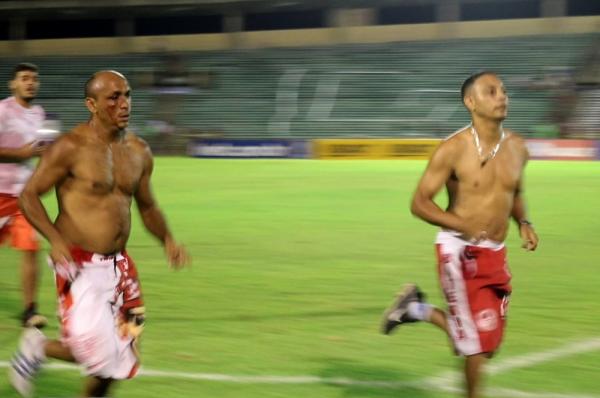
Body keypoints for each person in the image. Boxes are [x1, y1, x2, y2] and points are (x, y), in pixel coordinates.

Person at [9, 70, 190, 397]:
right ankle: (38, 348)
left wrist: (167, 239)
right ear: (91, 104)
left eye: (128, 95)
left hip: (121, 268)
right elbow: (29, 195)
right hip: (78, 264)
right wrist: (56, 238)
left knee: (122, 354)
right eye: (114, 97)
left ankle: (40, 347)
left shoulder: (139, 151)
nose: (124, 104)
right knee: (98, 353)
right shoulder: (70, 146)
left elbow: (147, 206)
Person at [381, 71, 539, 398]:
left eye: (504, 91)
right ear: (471, 102)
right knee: (474, 349)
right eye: (491, 91)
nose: (502, 97)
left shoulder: (518, 147)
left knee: (485, 346)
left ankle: (414, 309)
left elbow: (515, 192)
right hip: (460, 253)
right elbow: (419, 202)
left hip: (496, 253)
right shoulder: (452, 149)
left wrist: (524, 222)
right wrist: (460, 224)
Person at [0, 62, 49, 328]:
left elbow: (35, 152)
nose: (30, 83)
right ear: (13, 84)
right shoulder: (2, 110)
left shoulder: (38, 114)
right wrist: (21, 154)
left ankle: (30, 310)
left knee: (31, 247)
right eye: (24, 78)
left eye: (34, 78)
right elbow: (24, 152)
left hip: (24, 196)